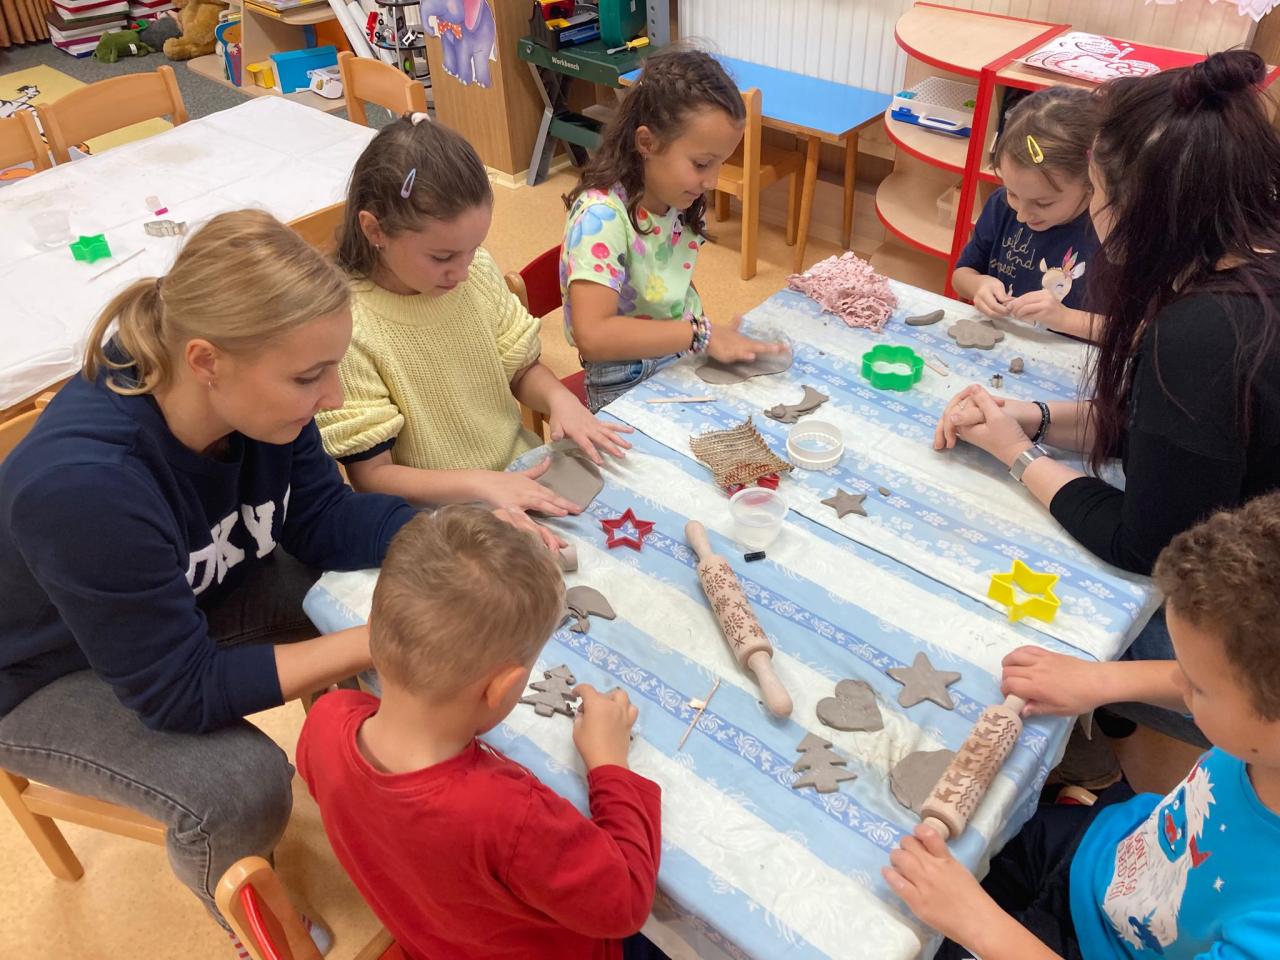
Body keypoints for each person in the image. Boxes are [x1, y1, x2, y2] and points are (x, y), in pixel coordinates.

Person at [0, 211, 417, 951]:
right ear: (206, 361)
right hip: (37, 674)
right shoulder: (87, 486)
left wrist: (444, 530)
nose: (333, 396)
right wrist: (379, 641)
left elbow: (321, 520)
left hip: (172, 599)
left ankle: (366, 770)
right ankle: (251, 919)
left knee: (380, 584)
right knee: (240, 787)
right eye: (308, 377)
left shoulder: (257, 397)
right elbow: (178, 692)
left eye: (331, 367)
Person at [934, 50, 1280, 741]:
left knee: (983, 622)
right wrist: (1034, 418)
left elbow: (1145, 544)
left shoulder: (1203, 335)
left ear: (1141, 210)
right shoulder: (1253, 263)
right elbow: (1177, 440)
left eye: (1093, 192)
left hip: (1257, 652)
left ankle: (1076, 746)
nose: (1091, 214)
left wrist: (1016, 454)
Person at [884, 492, 1280, 960]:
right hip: (1105, 849)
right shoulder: (1260, 733)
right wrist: (1100, 680)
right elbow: (1212, 682)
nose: (1181, 682)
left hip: (1095, 948)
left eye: (1196, 685)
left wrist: (977, 922)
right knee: (974, 846)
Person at [297, 506, 662, 959]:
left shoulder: (325, 720)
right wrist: (609, 764)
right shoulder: (510, 816)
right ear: (501, 688)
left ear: (372, 632)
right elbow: (627, 902)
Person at [316, 116, 631, 550]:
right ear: (375, 231)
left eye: (473, 248)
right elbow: (373, 477)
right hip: (441, 520)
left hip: (518, 475)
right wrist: (484, 484)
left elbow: (520, 368)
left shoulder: (474, 271)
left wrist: (559, 399)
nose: (463, 271)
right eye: (443, 257)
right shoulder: (348, 327)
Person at [561, 47, 787, 412]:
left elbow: (666, 281)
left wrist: (703, 333)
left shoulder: (672, 197)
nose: (712, 181)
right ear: (647, 142)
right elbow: (594, 336)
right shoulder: (601, 218)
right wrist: (699, 334)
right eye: (702, 164)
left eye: (720, 164)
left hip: (677, 352)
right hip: (624, 375)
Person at [952, 86, 1100, 340]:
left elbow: (1141, 334)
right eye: (1012, 193)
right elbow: (961, 275)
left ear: (1092, 184)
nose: (1021, 215)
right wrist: (979, 285)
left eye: (1043, 203)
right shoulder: (1001, 206)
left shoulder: (1108, 231)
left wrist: (1067, 319)